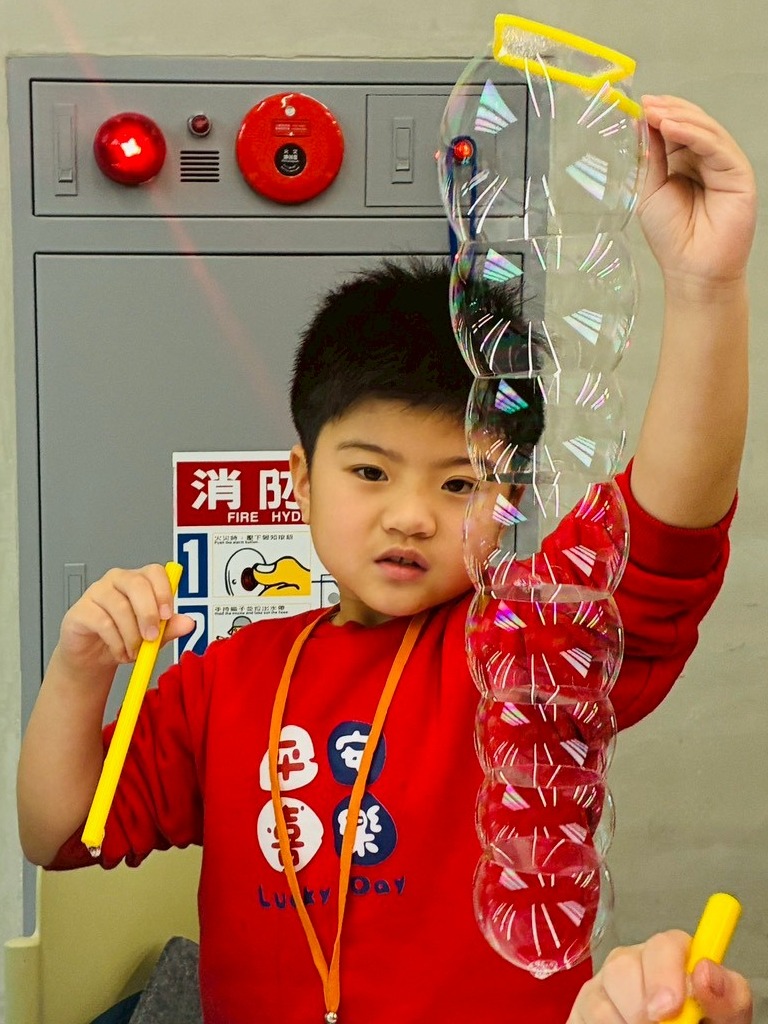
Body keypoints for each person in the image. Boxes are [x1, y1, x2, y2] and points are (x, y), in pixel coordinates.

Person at [17, 95, 756, 1024]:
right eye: (370, 471)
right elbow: (56, 832)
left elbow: (666, 531)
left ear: (508, 500)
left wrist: (705, 288)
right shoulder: (227, 681)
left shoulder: (521, 645)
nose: (410, 516)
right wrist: (79, 668)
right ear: (300, 479)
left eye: (461, 484)